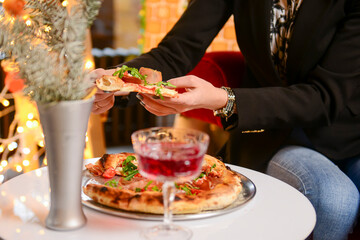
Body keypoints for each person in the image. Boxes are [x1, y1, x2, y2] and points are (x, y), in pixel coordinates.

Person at [88, 0, 360, 239]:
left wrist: (223, 99)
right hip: (275, 131)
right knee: (337, 200)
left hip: (347, 132)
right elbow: (177, 49)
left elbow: (324, 97)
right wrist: (117, 80)